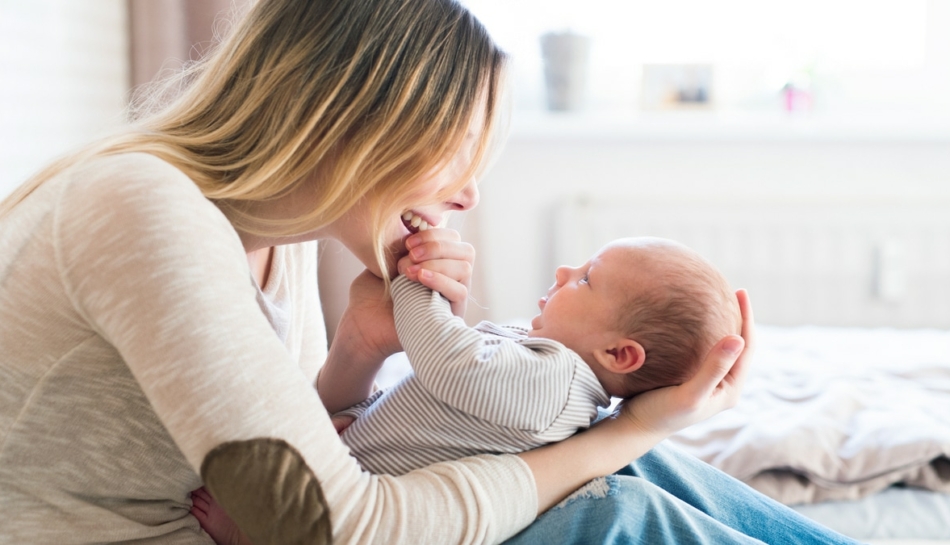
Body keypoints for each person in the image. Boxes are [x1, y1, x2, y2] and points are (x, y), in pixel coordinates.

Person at [0, 0, 855, 543]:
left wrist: (358, 352)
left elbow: (292, 441)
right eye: (456, 153)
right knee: (607, 498)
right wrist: (630, 429)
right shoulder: (145, 208)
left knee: (621, 471)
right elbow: (334, 523)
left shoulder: (274, 229)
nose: (471, 191)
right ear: (357, 124)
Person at [333, 236, 742, 476]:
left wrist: (417, 282)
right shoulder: (544, 360)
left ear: (618, 353)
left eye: (586, 279)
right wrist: (366, 413)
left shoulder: (555, 385)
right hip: (351, 462)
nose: (564, 271)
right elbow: (432, 404)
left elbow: (449, 362)